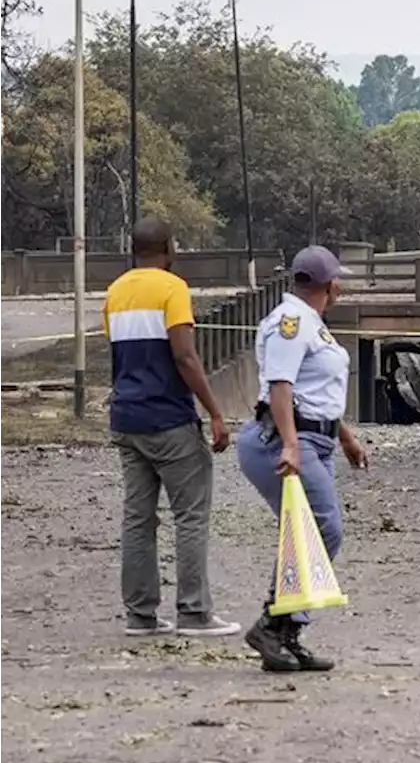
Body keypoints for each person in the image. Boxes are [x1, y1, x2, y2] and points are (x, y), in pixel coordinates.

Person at [104, 217, 239, 638]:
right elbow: (184, 356)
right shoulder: (172, 288)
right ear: (169, 247)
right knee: (191, 515)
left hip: (127, 418)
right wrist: (215, 411)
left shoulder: (115, 291)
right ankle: (194, 612)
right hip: (169, 420)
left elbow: (119, 357)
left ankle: (140, 615)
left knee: (138, 519)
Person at [236, 246, 368, 673]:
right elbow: (280, 387)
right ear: (329, 284)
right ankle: (275, 623)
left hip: (316, 439)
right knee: (321, 529)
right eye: (338, 279)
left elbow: (317, 393)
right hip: (287, 440)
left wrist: (344, 436)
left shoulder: (312, 324)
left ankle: (288, 632)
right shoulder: (290, 325)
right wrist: (291, 445)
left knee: (305, 535)